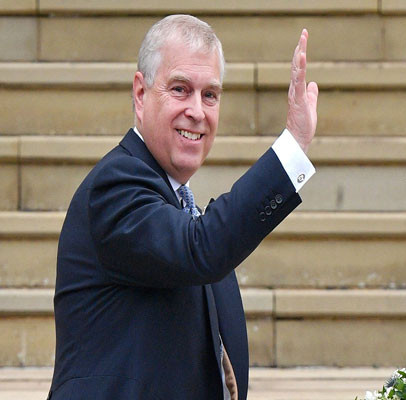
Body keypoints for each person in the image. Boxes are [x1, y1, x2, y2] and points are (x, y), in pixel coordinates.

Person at [48, 15, 318, 400]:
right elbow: (202, 248)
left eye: (210, 95)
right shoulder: (116, 186)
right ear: (140, 94)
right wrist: (292, 149)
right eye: (180, 89)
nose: (197, 111)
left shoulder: (179, 205)